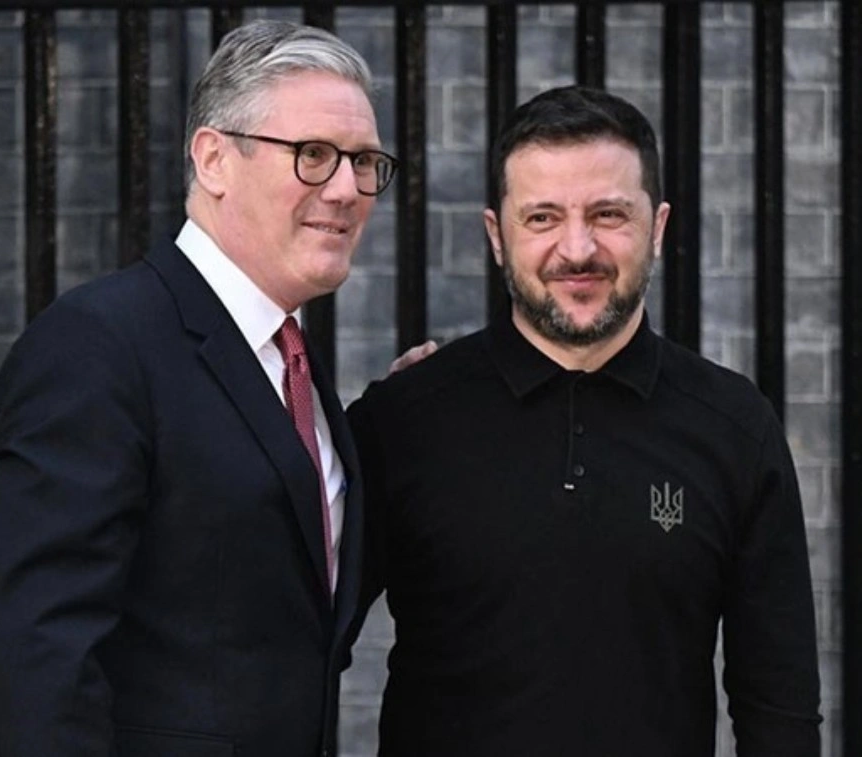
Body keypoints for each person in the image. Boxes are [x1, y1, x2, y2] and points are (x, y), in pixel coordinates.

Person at [348, 86, 821, 757]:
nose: (577, 249)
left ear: (657, 228)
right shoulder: (402, 422)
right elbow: (297, 646)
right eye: (542, 217)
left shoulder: (735, 428)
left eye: (608, 214)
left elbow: (779, 708)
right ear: (497, 236)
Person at [0, 20, 396, 757]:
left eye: (363, 161)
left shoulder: (288, 359)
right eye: (313, 155)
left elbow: (277, 601)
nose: (345, 189)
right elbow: (43, 662)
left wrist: (407, 420)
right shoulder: (97, 345)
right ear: (213, 159)